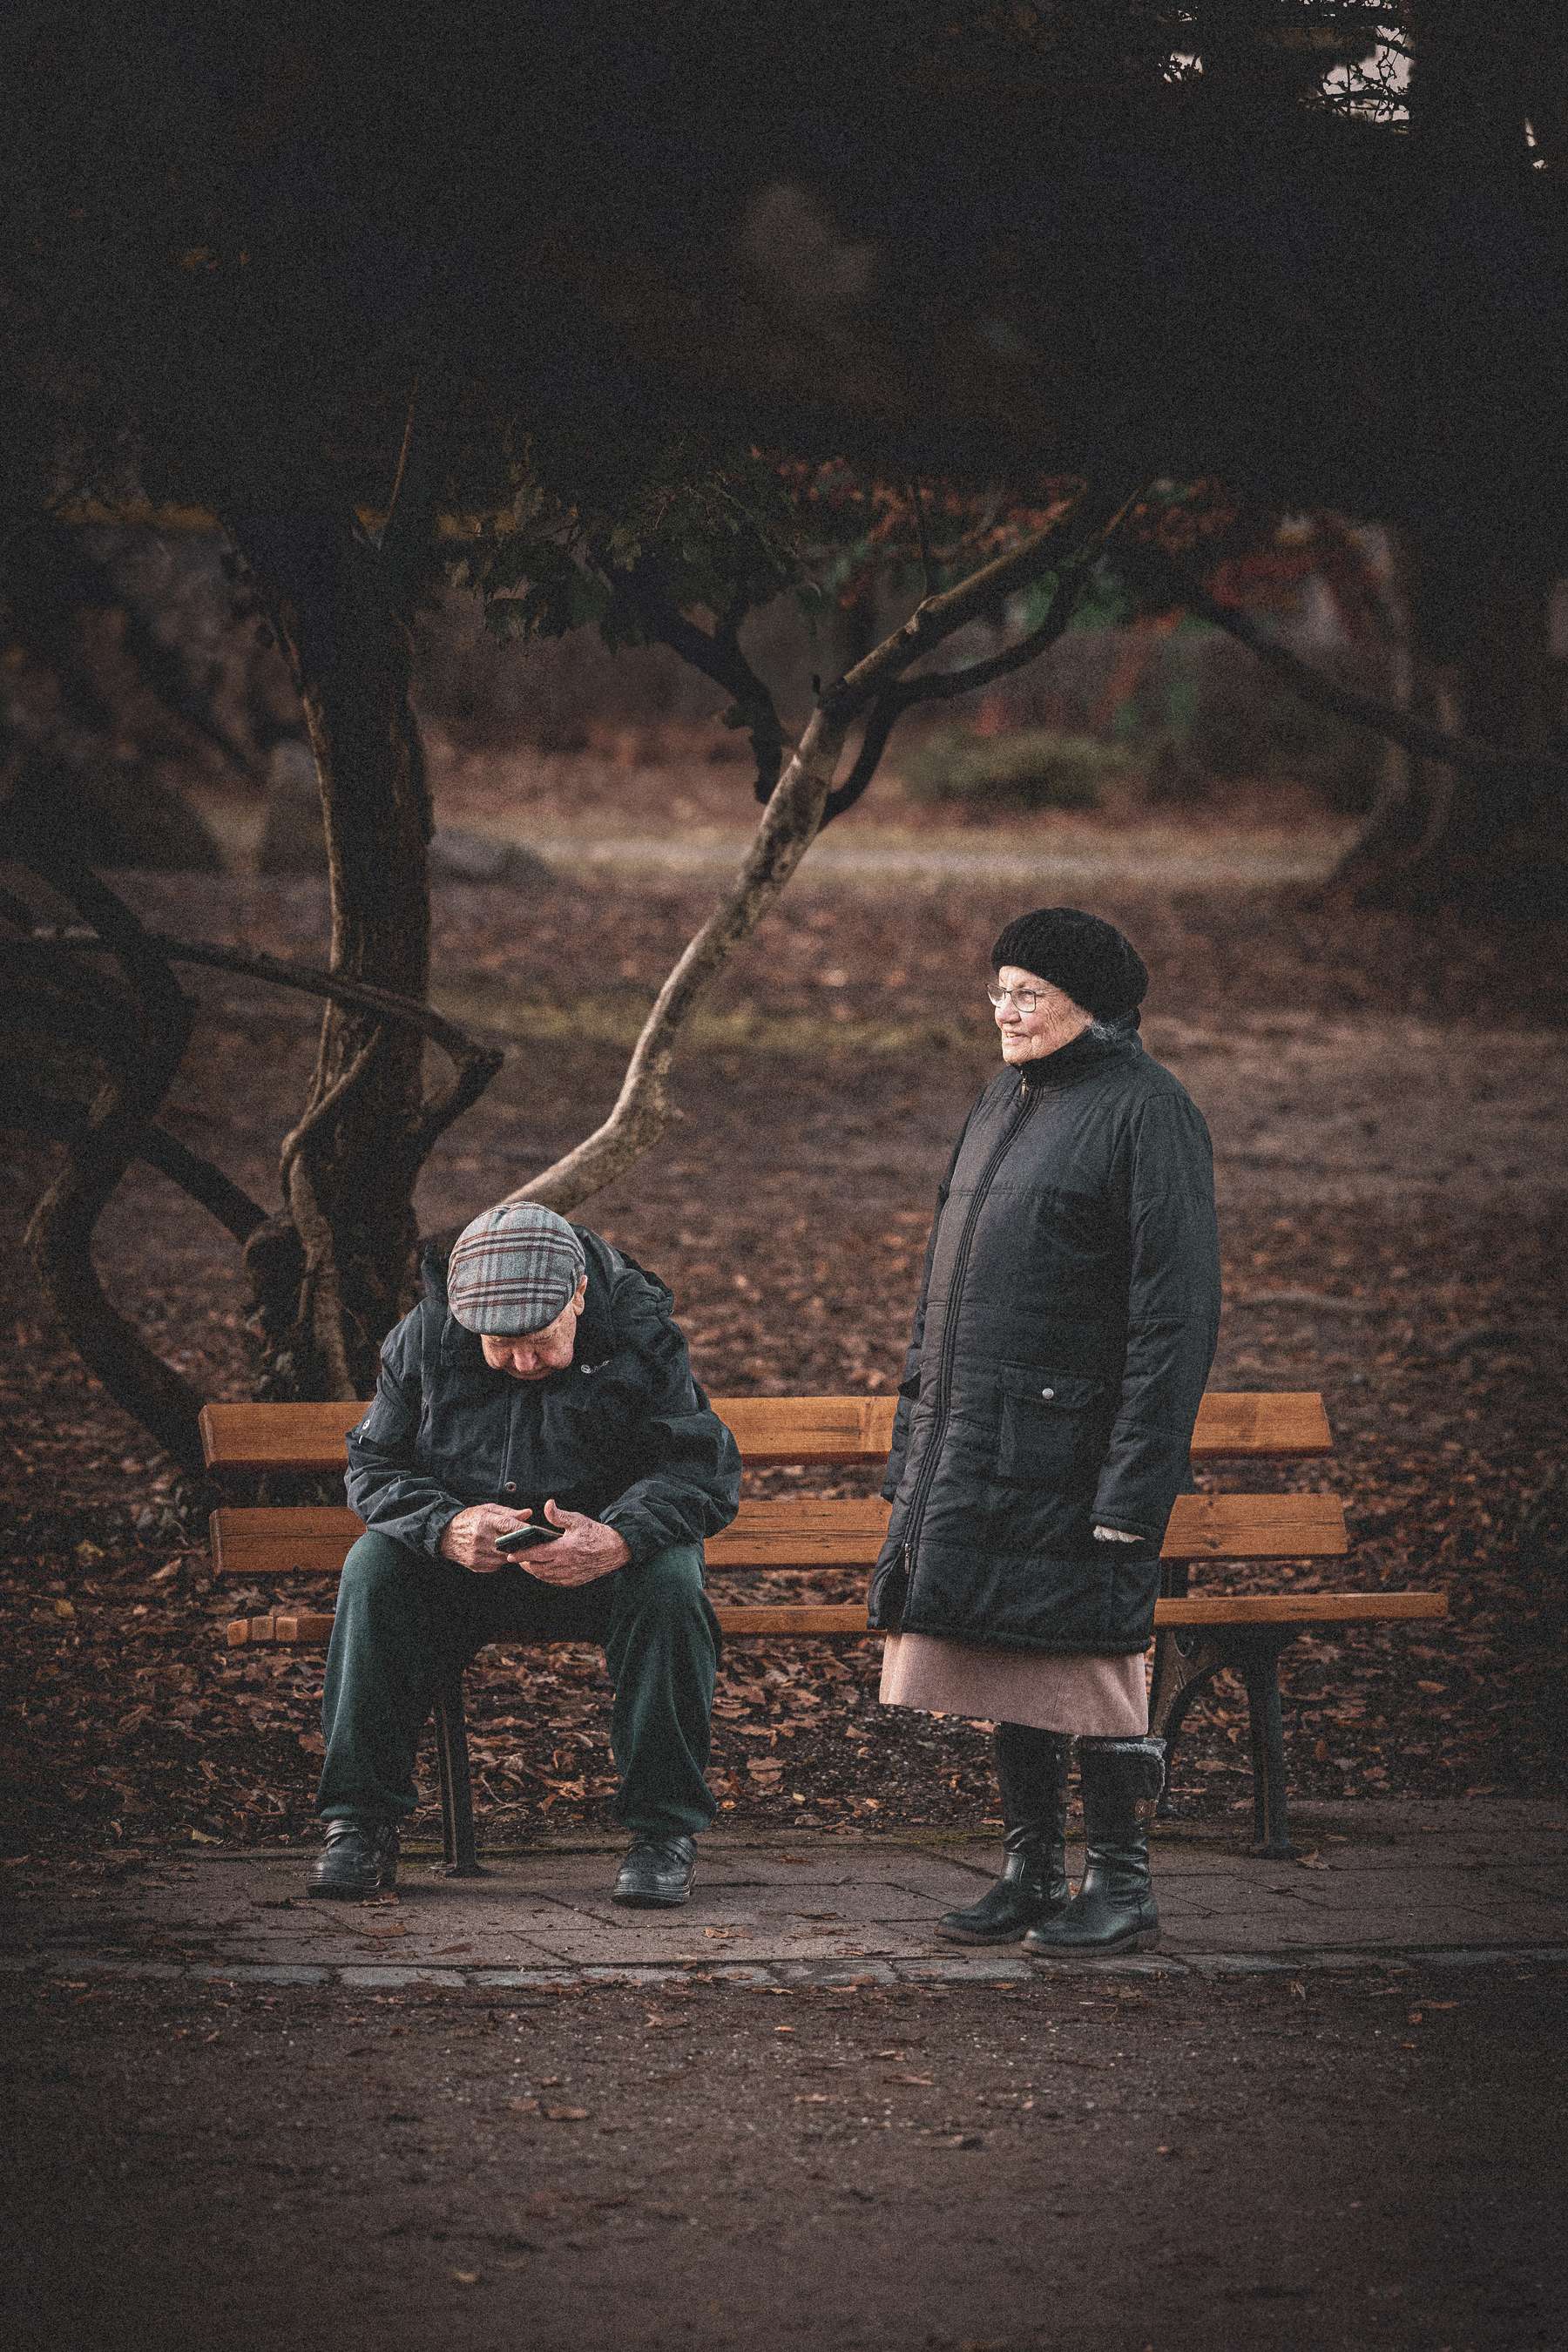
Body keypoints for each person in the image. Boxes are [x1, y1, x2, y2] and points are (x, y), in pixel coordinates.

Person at [871, 907, 1221, 1956]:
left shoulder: (1149, 1113)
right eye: (998, 992)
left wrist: (1132, 1490)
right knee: (1007, 1647)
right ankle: (1029, 1870)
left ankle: (1123, 1885)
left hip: (1081, 1451)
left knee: (1097, 1661)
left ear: (1092, 1007)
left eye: (1029, 995)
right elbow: (947, 1289)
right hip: (978, 1439)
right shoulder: (1002, 1098)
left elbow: (1176, 1316)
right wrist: (914, 1437)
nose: (1005, 1012)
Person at [308, 1203, 741, 1909]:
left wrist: (619, 1537)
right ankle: (359, 1823)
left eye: (539, 1340)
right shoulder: (421, 1338)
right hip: (463, 1570)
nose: (521, 1361)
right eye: (498, 1344)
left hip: (601, 1566)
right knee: (373, 1568)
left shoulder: (642, 1337)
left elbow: (698, 1471)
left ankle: (663, 1833)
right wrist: (444, 1526)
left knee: (670, 1581)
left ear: (577, 1294)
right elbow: (373, 1468)